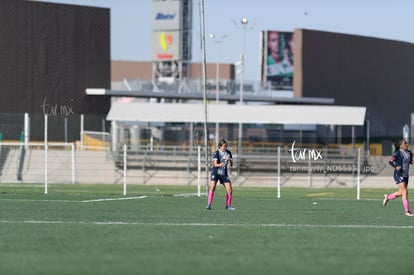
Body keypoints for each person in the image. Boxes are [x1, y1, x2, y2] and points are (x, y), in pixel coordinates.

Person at [383, 139, 414, 216]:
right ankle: (407, 211)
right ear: (400, 146)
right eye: (405, 143)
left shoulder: (409, 152)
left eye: (407, 143)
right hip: (398, 174)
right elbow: (390, 161)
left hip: (405, 175)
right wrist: (395, 166)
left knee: (401, 192)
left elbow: (410, 162)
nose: (407, 144)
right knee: (405, 192)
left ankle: (388, 197)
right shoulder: (397, 153)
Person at [206, 139, 235, 210]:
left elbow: (231, 165)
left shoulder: (228, 153)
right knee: (212, 187)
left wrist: (230, 160)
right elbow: (215, 164)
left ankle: (228, 206)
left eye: (226, 146)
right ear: (220, 146)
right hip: (216, 172)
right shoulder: (216, 153)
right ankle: (209, 204)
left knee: (230, 190)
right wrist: (221, 164)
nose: (225, 148)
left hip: (224, 173)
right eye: (223, 146)